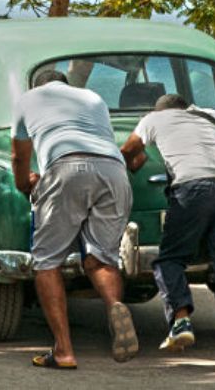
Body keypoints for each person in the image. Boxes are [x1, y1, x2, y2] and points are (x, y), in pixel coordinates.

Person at [120, 94, 215, 374]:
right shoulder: (212, 116)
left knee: (170, 259)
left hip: (193, 188)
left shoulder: (153, 119)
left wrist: (136, 161)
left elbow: (126, 151)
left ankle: (181, 321)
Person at [11, 70, 138, 369]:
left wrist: (24, 184)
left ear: (38, 86)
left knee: (46, 261)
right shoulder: (93, 98)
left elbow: (20, 156)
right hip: (113, 171)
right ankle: (114, 306)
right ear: (67, 86)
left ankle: (64, 350)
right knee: (101, 259)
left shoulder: (27, 99)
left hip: (66, 166)